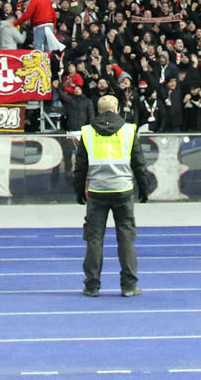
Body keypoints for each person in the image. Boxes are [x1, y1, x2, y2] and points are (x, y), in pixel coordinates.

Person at [73, 93, 150, 297]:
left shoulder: (88, 132)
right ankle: (128, 285)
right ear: (117, 109)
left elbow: (80, 167)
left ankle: (92, 285)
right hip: (123, 190)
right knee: (126, 238)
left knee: (94, 239)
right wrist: (144, 188)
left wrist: (79, 191)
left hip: (97, 191)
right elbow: (139, 163)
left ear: (98, 110)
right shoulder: (129, 130)